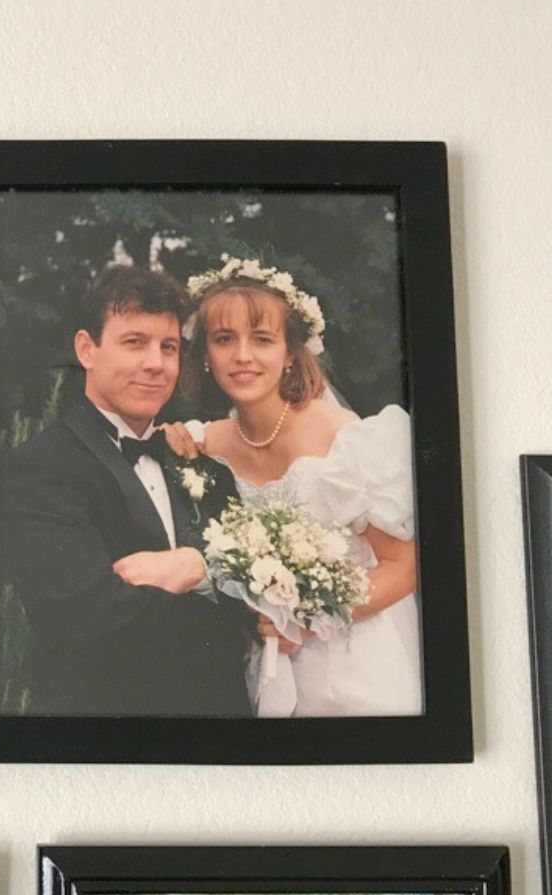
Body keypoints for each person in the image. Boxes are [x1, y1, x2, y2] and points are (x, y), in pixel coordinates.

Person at [0, 262, 253, 717]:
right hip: (102, 740)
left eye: (168, 347)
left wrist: (197, 569)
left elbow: (253, 613)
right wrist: (219, 601)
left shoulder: (206, 470)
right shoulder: (38, 469)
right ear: (86, 349)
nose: (155, 363)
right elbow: (90, 617)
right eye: (135, 342)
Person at [178, 256, 421, 717]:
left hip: (356, 664)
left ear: (290, 352)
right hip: (265, 672)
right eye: (224, 339)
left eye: (262, 339)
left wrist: (307, 620)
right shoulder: (201, 444)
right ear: (205, 355)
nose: (243, 356)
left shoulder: (348, 438)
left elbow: (401, 568)